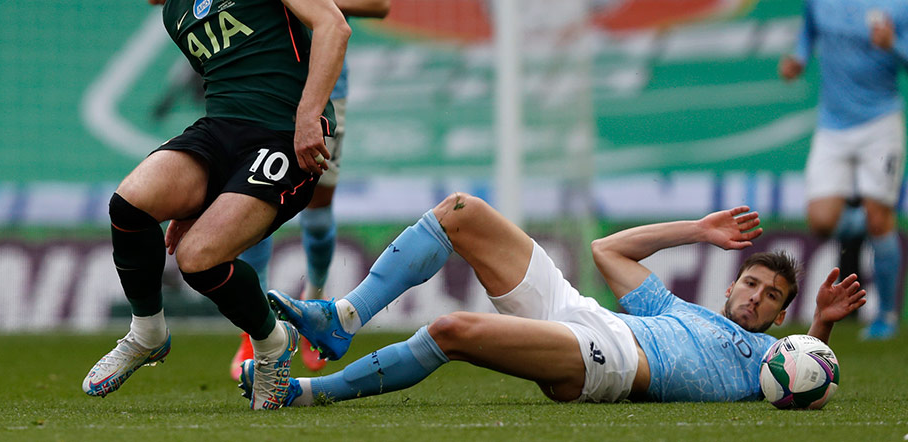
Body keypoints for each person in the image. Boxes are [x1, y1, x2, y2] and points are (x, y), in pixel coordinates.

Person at [82, 0, 351, 411]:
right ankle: (148, 332)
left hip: (283, 135)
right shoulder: (178, 9)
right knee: (129, 205)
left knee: (199, 260)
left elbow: (333, 26)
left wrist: (307, 117)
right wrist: (191, 199)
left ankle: (273, 345)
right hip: (220, 130)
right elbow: (226, 90)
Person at [146, 0, 389, 377]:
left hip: (326, 88)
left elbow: (377, 1)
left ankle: (316, 300)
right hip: (261, 99)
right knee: (247, 204)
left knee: (318, 212)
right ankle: (253, 338)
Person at [232, 192, 864, 406]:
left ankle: (303, 392)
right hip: (582, 315)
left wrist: (824, 326)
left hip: (608, 363)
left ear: (783, 317)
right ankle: (344, 318)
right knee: (462, 212)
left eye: (771, 296)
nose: (755, 298)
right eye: (751, 283)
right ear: (731, 284)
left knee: (454, 329)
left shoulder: (765, 358)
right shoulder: (677, 309)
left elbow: (802, 376)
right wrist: (697, 230)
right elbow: (608, 252)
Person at [779, 0, 908, 340]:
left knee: (879, 218)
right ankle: (871, 221)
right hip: (833, 124)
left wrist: (895, 46)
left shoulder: (898, 1)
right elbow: (807, 33)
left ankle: (887, 316)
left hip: (880, 122)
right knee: (819, 220)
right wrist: (798, 59)